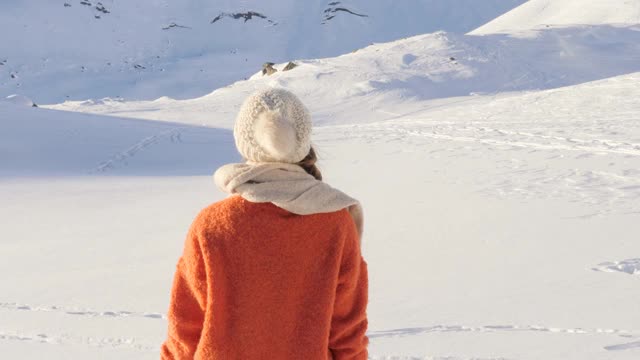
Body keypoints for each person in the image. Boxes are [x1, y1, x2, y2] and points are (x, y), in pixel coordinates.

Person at [160, 88, 369, 359]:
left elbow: (184, 327)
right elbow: (347, 327)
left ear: (245, 143)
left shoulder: (211, 224)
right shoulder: (336, 222)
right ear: (302, 143)